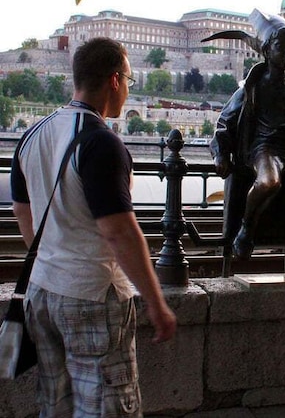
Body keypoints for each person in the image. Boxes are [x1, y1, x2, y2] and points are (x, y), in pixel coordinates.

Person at [10, 37, 177, 416]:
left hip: (44, 293)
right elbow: (119, 232)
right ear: (114, 81)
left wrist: (51, 258)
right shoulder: (101, 143)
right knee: (106, 407)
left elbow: (23, 211)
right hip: (92, 294)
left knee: (56, 405)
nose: (129, 88)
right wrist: (155, 301)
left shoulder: (34, 134)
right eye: (130, 79)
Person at [206, 9, 285, 260]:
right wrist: (220, 153)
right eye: (281, 47)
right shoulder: (252, 87)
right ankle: (247, 229)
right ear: (266, 49)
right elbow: (225, 122)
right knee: (268, 182)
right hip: (265, 147)